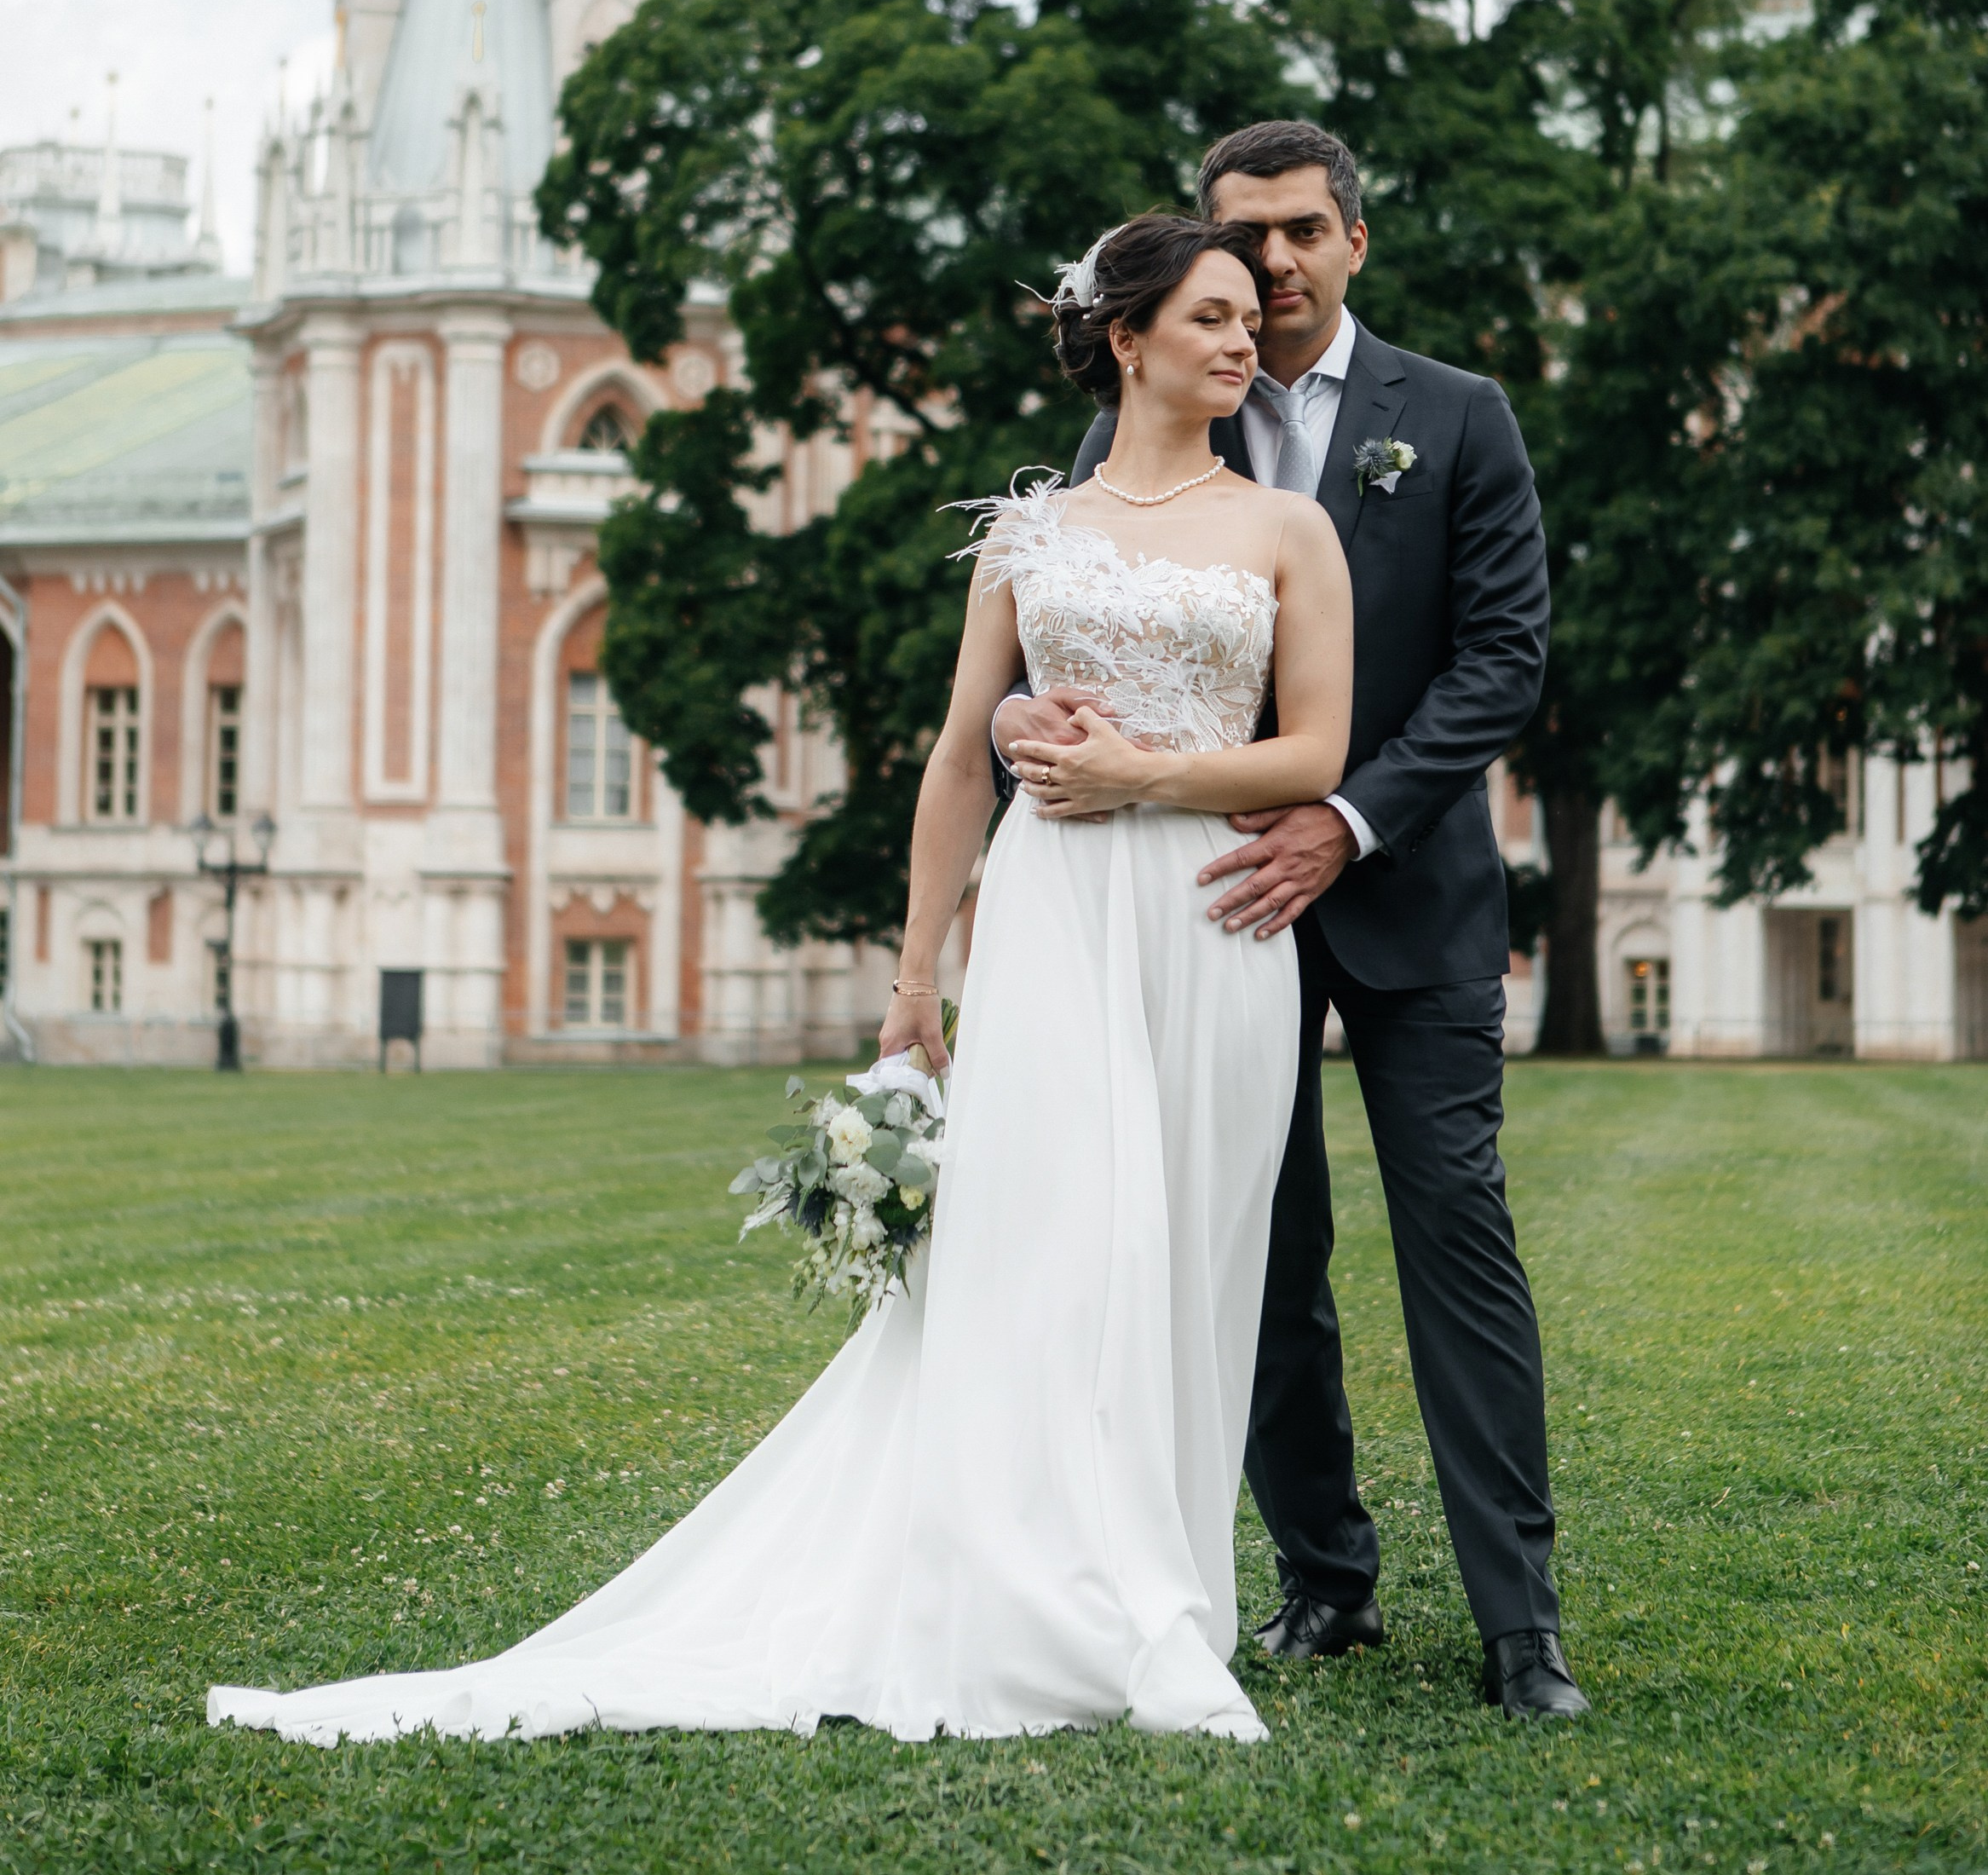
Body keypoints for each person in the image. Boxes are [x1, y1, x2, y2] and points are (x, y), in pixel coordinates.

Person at [207, 214, 1354, 1748]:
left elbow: (1314, 754)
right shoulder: (1032, 535)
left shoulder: (1290, 531)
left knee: (1198, 1264)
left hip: (1218, 921)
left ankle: (1170, 1601)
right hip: (1056, 914)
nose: (1243, 339)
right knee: (1057, 1250)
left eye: (1249, 319)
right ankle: (1057, 1597)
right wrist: (912, 977)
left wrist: (1147, 775)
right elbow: (959, 756)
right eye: (1210, 316)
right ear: (1127, 339)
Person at [995, 120, 1588, 1721]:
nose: (1273, 262)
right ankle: (1320, 1584)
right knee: (1248, 1251)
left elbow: (1499, 663)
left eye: (1302, 230)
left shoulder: (1453, 418)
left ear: (1354, 239)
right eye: (1242, 235)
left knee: (1455, 1236)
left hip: (1406, 891)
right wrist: (1017, 732)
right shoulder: (1152, 415)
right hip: (1198, 907)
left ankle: (1519, 1627)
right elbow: (1046, 637)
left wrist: (1343, 819)